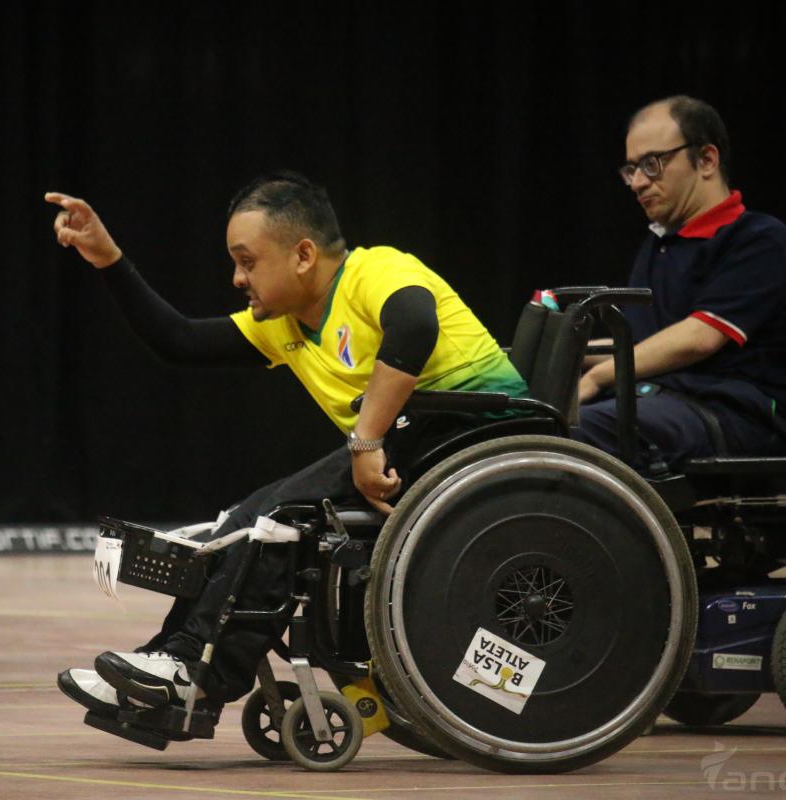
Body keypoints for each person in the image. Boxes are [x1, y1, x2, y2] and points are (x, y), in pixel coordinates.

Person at [45, 172, 528, 718]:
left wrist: (366, 441)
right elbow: (177, 339)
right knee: (245, 518)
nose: (236, 277)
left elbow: (415, 322)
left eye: (248, 261)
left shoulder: (376, 269)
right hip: (417, 442)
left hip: (478, 435)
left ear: (302, 254)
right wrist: (108, 258)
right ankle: (169, 661)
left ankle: (195, 676)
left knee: (277, 516)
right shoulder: (286, 323)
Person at [572, 96, 786, 468]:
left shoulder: (760, 240)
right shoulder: (659, 246)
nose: (636, 183)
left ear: (707, 160)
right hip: (667, 399)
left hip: (738, 415)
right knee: (537, 417)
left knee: (577, 429)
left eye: (652, 164)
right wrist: (564, 353)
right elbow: (642, 346)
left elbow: (698, 339)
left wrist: (599, 375)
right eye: (631, 169)